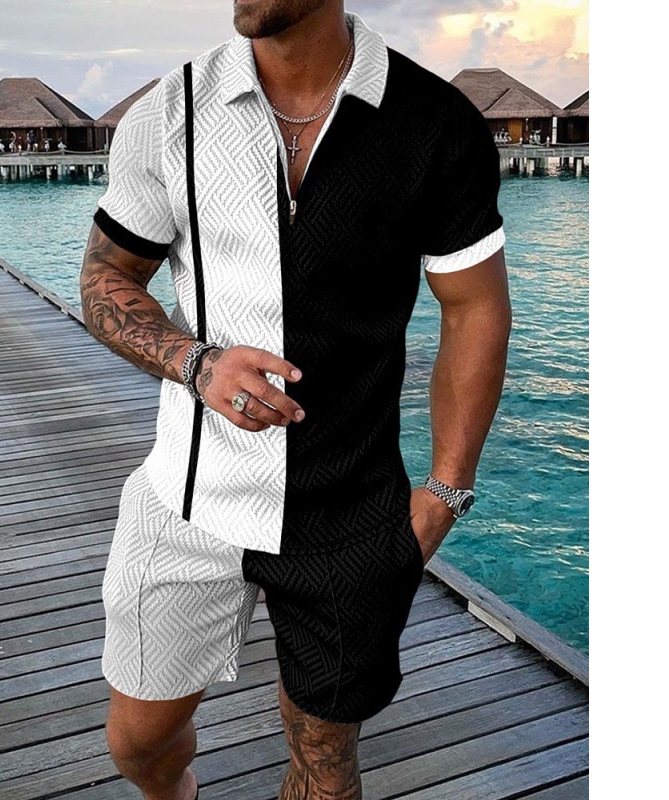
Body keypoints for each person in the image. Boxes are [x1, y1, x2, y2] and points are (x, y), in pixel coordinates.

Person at [79, 2, 511, 798]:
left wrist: (446, 489)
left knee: (326, 767)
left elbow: (474, 306)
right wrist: (195, 362)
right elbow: (107, 275)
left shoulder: (433, 122)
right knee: (137, 744)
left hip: (349, 512)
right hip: (187, 496)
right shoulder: (168, 113)